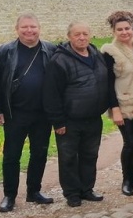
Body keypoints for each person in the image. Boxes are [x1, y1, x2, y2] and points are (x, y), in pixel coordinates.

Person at [43, 22, 112, 207]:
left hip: (93, 117)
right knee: (68, 158)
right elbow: (51, 93)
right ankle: (72, 193)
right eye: (77, 34)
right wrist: (58, 121)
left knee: (90, 154)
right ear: (69, 36)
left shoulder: (96, 54)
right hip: (69, 120)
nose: (81, 37)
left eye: (85, 33)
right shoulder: (59, 60)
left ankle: (87, 189)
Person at [0, 13, 57, 212]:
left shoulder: (50, 49)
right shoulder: (4, 51)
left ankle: (33, 191)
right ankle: (9, 195)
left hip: (42, 114)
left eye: (33, 27)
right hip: (15, 113)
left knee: (39, 153)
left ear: (39, 28)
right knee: (11, 155)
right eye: (24, 27)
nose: (29, 31)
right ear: (17, 29)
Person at [102, 11, 133, 197]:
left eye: (127, 28)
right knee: (129, 142)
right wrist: (114, 109)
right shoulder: (110, 51)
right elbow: (107, 82)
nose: (125, 32)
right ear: (114, 31)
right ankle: (126, 180)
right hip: (123, 103)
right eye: (120, 29)